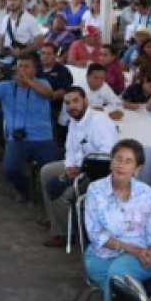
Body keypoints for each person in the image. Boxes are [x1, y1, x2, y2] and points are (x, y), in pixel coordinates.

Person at [82, 140, 151, 301]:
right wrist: (134, 249)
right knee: (119, 281)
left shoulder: (146, 192)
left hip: (139, 258)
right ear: (111, 162)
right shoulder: (95, 190)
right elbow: (95, 235)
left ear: (138, 168)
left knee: (117, 279)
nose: (121, 165)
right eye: (118, 159)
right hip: (100, 256)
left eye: (128, 161)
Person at [39, 88, 119, 247]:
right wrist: (69, 166)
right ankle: (55, 219)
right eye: (67, 103)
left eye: (76, 101)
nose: (71, 106)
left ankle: (63, 234)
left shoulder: (100, 121)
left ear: (86, 101)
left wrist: (81, 168)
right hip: (77, 167)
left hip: (97, 173)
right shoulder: (74, 122)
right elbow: (70, 149)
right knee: (46, 171)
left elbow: (108, 153)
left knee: (62, 193)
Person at [0, 53, 57, 200]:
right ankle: (24, 188)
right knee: (9, 169)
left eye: (26, 67)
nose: (22, 69)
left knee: (52, 172)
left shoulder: (42, 83)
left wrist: (28, 81)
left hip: (43, 137)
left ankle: (51, 200)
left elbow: (48, 93)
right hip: (17, 137)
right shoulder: (7, 86)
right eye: (20, 66)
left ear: (34, 70)